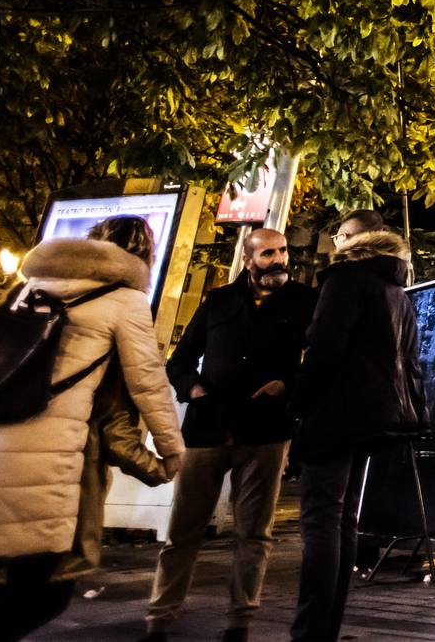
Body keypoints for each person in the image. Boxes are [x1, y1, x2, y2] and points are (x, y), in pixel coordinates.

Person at [0, 216, 185, 642]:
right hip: (48, 453)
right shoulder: (124, 299)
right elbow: (148, 380)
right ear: (142, 256)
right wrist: (171, 448)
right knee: (44, 588)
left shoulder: (27, 288)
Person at [145, 226, 313, 642]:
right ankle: (159, 618)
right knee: (183, 530)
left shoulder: (306, 302)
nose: (279, 260)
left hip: (266, 431)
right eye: (268, 254)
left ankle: (240, 620)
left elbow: (321, 361)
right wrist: (193, 387)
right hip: (207, 428)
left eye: (283, 251)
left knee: (254, 533)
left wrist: (286, 385)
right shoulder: (219, 300)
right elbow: (179, 362)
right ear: (247, 259)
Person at [289, 210, 427, 642]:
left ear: (359, 240)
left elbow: (324, 348)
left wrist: (298, 404)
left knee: (321, 520)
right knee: (342, 518)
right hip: (375, 417)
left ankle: (311, 632)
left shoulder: (346, 280)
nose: (336, 240)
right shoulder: (396, 290)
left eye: (341, 235)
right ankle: (324, 627)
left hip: (335, 413)